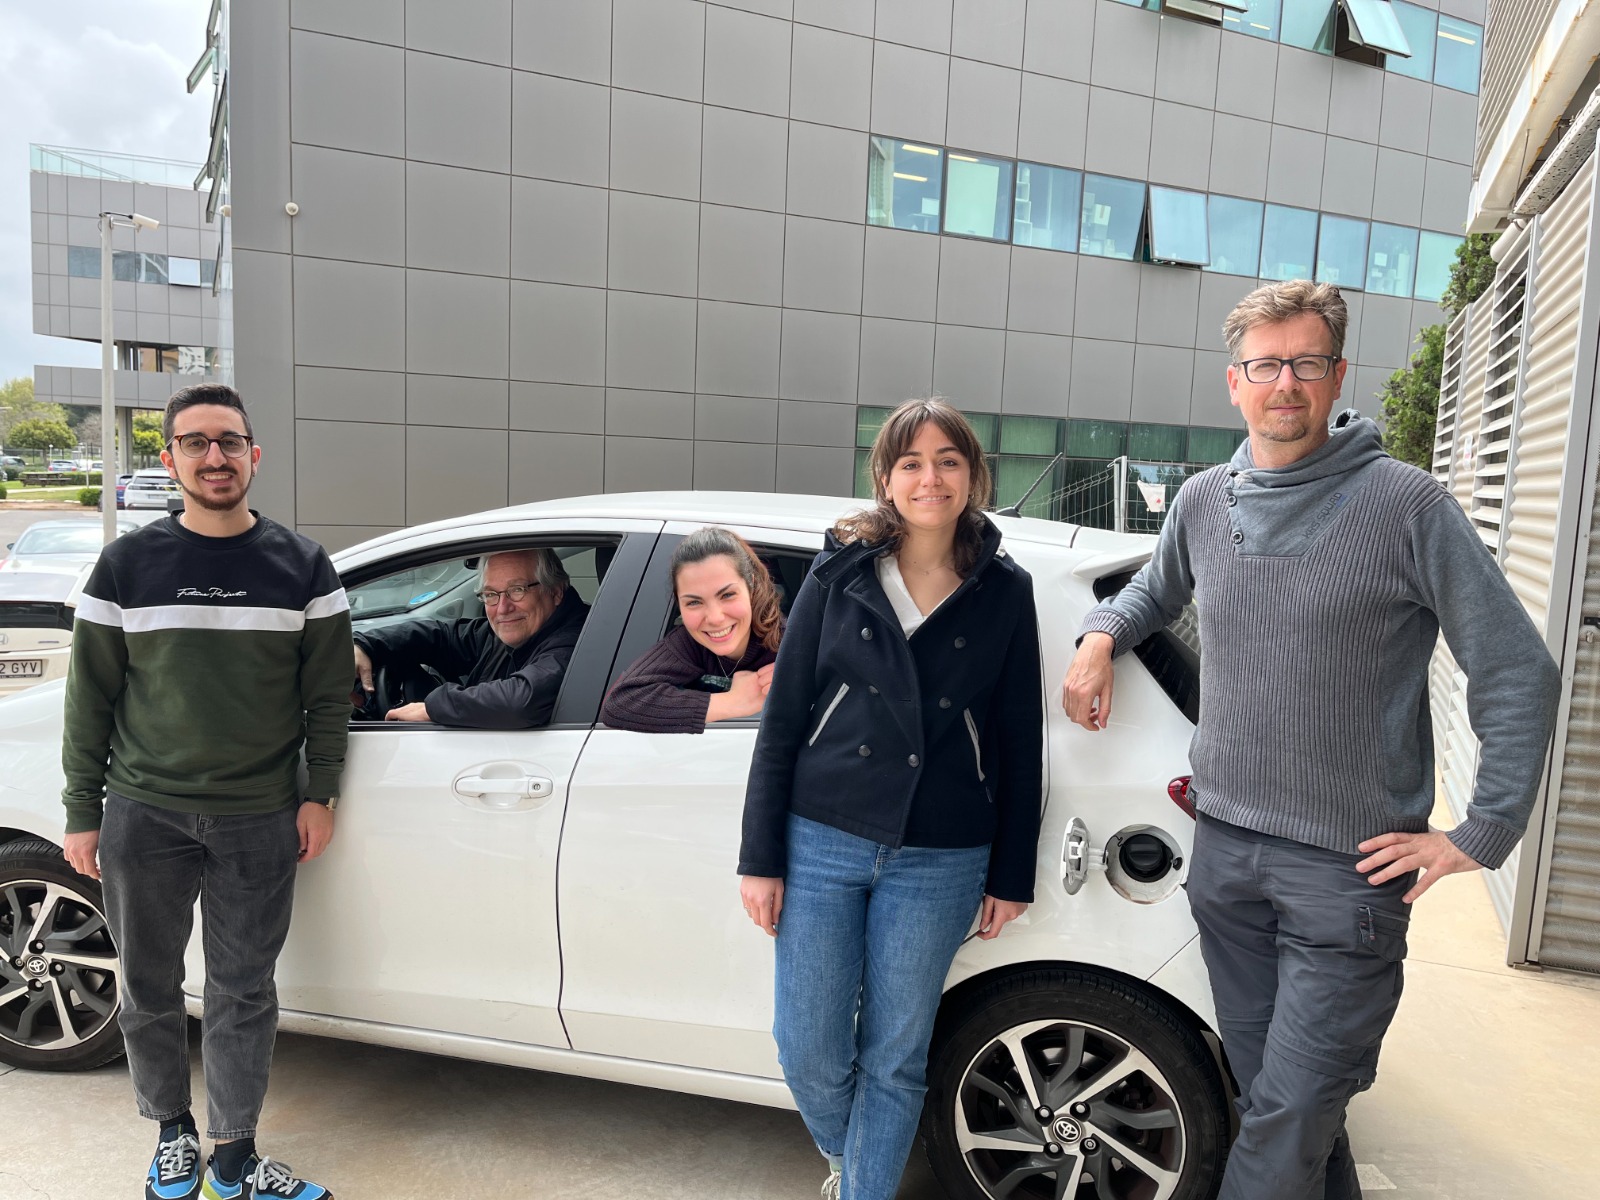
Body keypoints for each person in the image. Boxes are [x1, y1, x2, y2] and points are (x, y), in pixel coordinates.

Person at [1061, 280, 1561, 1200]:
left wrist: (1482, 831)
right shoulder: (1204, 501)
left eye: (1305, 363)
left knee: (1287, 1120)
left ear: (1336, 376)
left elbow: (1517, 668)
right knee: (1283, 1110)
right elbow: (1154, 591)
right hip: (1226, 861)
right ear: (1234, 383)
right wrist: (1099, 639)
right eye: (1265, 366)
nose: (1284, 383)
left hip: (1346, 877)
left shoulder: (1408, 506)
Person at [739, 397, 1044, 1200]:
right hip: (823, 835)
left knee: (896, 1056)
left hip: (942, 852)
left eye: (948, 461)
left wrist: (1011, 872)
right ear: (885, 477)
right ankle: (858, 1165)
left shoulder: (1004, 589)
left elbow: (1019, 736)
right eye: (911, 462)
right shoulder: (839, 574)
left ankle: (860, 1188)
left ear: (973, 476)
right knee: (806, 1046)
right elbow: (784, 719)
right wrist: (759, 858)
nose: (929, 478)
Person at [60, 383, 350, 1200]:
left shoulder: (304, 566)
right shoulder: (126, 566)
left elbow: (329, 696)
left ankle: (233, 1156)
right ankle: (172, 1133)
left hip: (260, 815)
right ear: (170, 459)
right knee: (148, 986)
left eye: (228, 441)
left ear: (254, 455)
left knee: (243, 991)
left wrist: (321, 792)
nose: (214, 457)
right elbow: (90, 699)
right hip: (143, 811)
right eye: (195, 442)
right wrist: (82, 812)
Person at [352, 547, 587, 728]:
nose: (503, 608)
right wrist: (364, 645)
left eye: (517, 590)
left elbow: (521, 701)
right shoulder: (511, 634)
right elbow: (441, 637)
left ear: (555, 591)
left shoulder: (578, 643)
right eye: (491, 594)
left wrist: (431, 708)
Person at [601, 526, 782, 732]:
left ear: (752, 586)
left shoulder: (790, 644)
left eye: (727, 595)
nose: (714, 618)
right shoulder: (687, 643)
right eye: (694, 602)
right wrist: (733, 702)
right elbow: (619, 704)